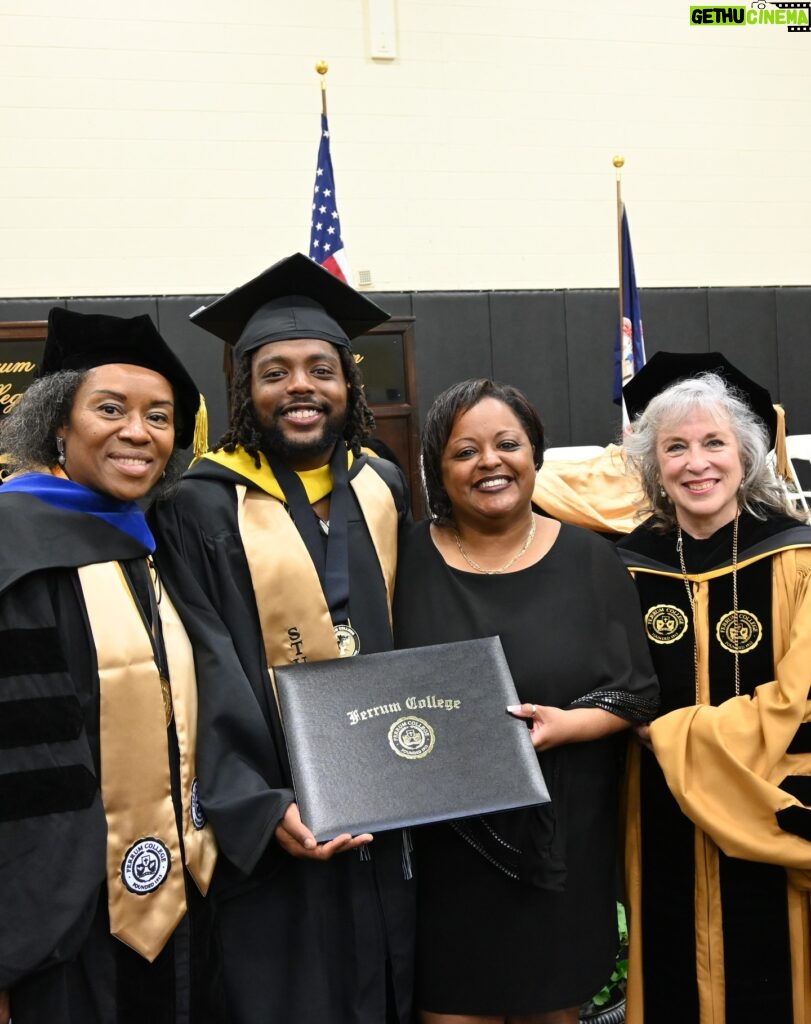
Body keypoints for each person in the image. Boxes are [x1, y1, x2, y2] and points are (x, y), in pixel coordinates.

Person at [151, 253, 415, 1024]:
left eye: (319, 368)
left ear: (347, 385)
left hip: (388, 803)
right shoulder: (199, 505)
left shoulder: (381, 484)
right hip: (277, 826)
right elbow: (202, 662)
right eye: (274, 372)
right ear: (247, 391)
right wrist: (260, 807)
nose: (300, 386)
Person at [393, 379, 659, 1024]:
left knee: (550, 1008)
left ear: (535, 455)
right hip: (440, 850)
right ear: (436, 469)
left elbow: (636, 694)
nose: (489, 461)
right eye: (464, 451)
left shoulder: (592, 561)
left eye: (507, 443)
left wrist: (567, 725)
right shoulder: (400, 561)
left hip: (558, 842)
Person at [0, 309, 217, 1024]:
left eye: (159, 416)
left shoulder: (155, 544)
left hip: (185, 890)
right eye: (110, 409)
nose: (138, 431)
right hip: (61, 917)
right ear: (56, 425)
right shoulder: (13, 543)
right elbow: (26, 756)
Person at [617, 351, 811, 1024]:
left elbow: (800, 703)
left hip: (766, 815)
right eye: (674, 446)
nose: (695, 462)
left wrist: (669, 736)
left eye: (713, 442)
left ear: (746, 454)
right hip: (655, 826)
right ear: (653, 464)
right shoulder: (623, 568)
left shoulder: (797, 558)